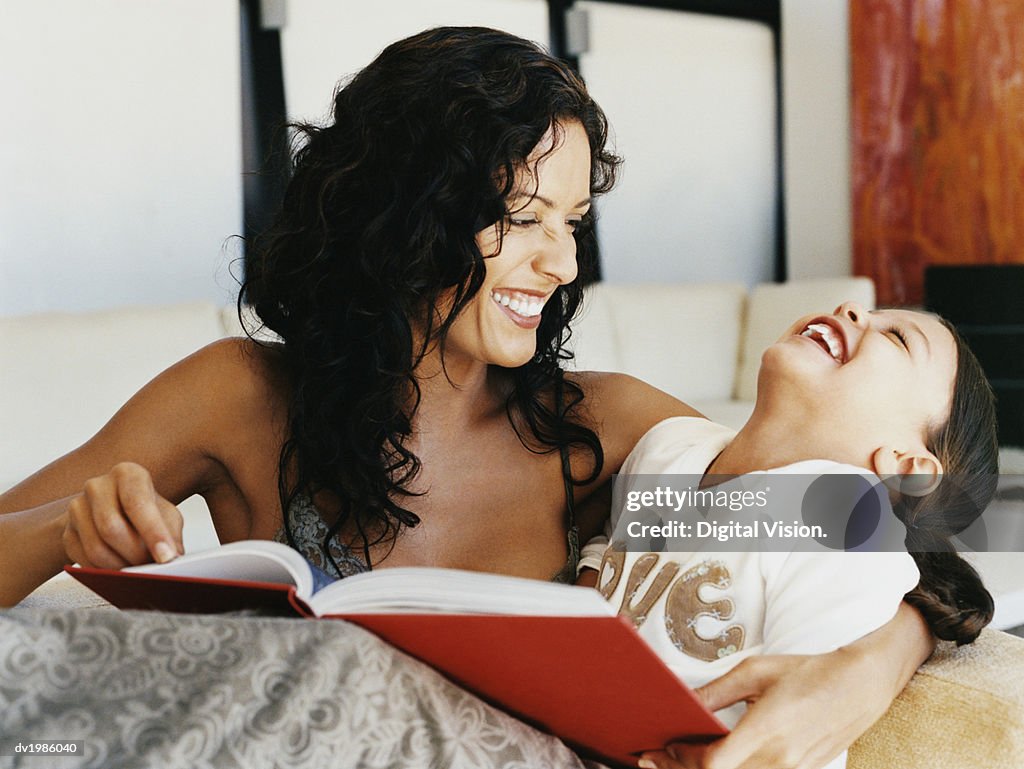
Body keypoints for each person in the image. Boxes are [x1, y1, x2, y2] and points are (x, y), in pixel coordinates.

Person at [0, 25, 948, 769]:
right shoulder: (239, 397)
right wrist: (65, 533)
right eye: (521, 216)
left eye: (572, 221)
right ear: (407, 210)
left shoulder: (603, 429)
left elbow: (880, 536)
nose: (564, 259)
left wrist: (872, 662)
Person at [574, 302, 998, 769]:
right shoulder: (668, 445)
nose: (852, 309)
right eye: (871, 310)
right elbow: (609, 547)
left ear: (908, 468)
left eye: (898, 338)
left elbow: (804, 730)